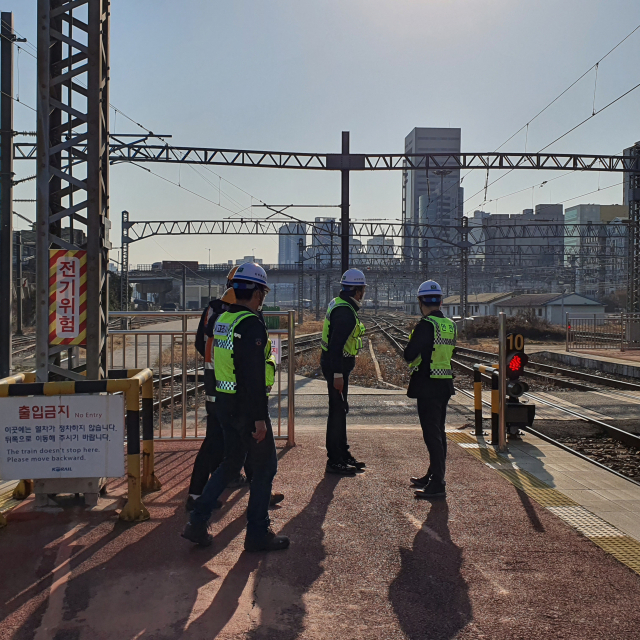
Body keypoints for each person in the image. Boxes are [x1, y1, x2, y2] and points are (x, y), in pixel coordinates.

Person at [182, 263, 289, 551]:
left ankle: (197, 519)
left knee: (231, 463)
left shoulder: (225, 319)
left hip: (224, 404)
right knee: (265, 468)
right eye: (262, 292)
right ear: (256, 292)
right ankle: (257, 533)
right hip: (246, 408)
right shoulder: (251, 323)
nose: (262, 298)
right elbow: (253, 377)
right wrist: (258, 419)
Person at [403, 280, 457, 499]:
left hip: (427, 384)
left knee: (431, 434)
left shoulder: (426, 325)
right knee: (439, 432)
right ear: (440, 301)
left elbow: (409, 355)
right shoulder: (450, 325)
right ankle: (433, 475)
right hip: (444, 384)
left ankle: (438, 484)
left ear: (420, 302)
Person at [320, 268, 367, 476]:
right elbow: (336, 346)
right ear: (357, 291)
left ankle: (342, 453)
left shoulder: (340, 305)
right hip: (336, 367)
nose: (363, 294)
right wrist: (337, 375)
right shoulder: (345, 313)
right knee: (337, 412)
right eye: (362, 290)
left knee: (340, 410)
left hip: (335, 366)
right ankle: (335, 460)